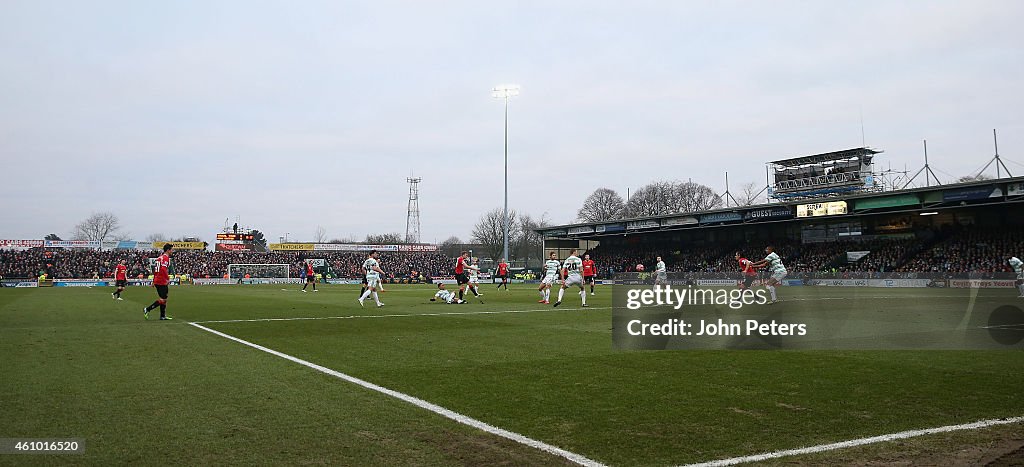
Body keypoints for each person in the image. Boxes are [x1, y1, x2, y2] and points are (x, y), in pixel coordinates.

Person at [143, 243, 174, 320]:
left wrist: (154, 281)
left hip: (158, 280)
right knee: (163, 299)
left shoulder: (159, 258)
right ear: (168, 250)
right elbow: (163, 269)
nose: (172, 251)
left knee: (164, 299)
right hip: (161, 280)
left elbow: (156, 271)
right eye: (171, 250)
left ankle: (162, 316)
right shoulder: (165, 258)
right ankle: (147, 309)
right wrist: (167, 278)